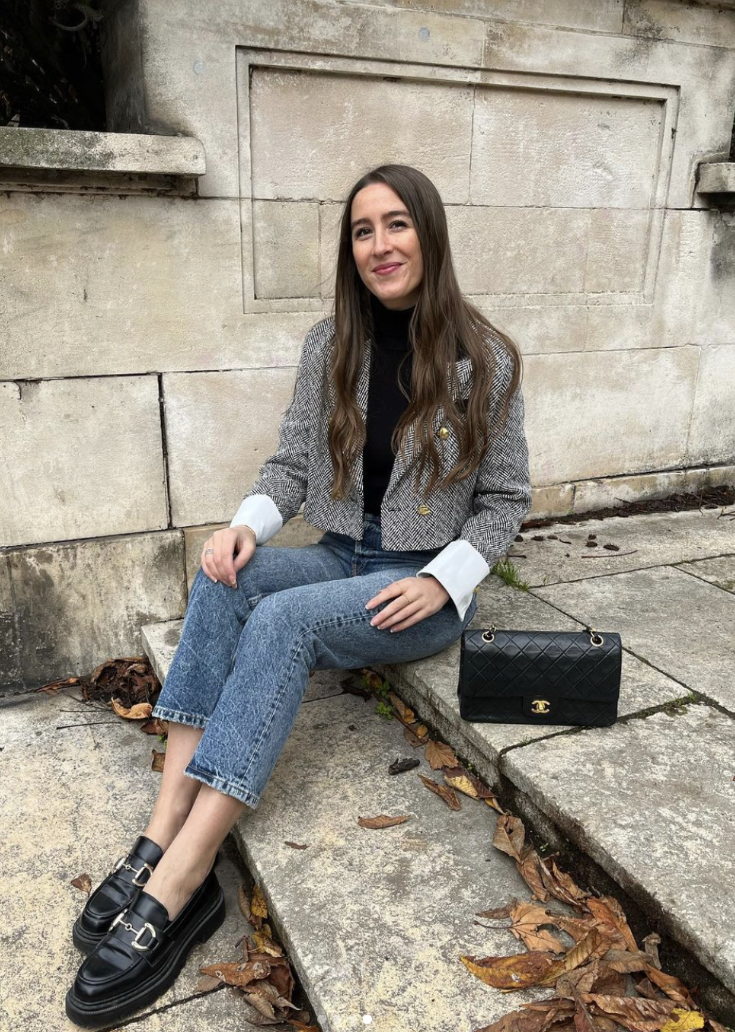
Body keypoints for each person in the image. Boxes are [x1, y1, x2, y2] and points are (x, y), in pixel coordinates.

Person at [65, 163, 532, 1027]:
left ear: (429, 233)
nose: (380, 245)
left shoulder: (487, 359)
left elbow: (507, 501)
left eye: (397, 224)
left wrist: (444, 579)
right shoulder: (332, 346)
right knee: (227, 576)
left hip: (415, 586)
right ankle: (165, 822)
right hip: (341, 554)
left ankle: (185, 875)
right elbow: (290, 464)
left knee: (282, 619)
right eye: (362, 231)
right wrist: (246, 523)